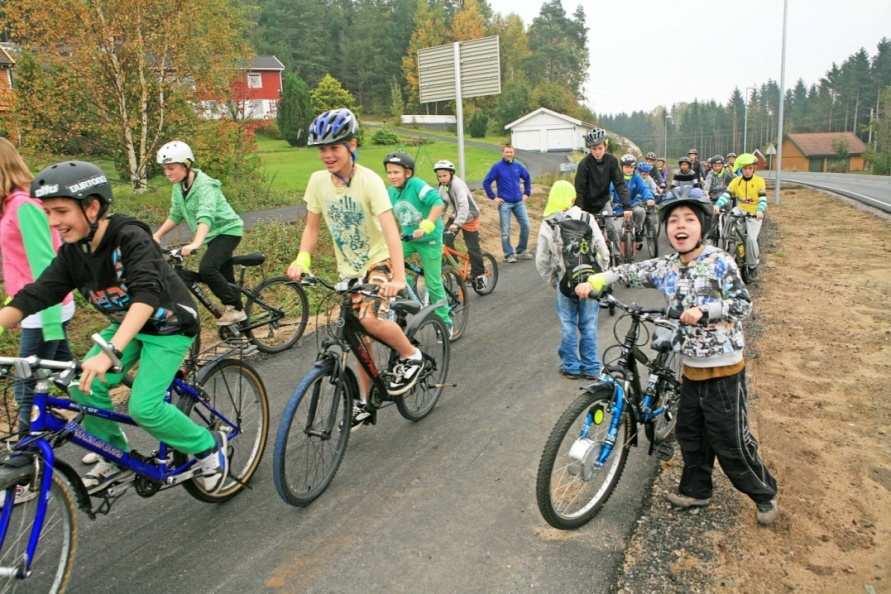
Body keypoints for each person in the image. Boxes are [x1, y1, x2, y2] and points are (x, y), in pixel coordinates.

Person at [0, 160, 228, 491]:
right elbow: (36, 295)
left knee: (145, 408)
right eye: (48, 213)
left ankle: (208, 447)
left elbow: (146, 296)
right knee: (83, 387)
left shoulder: (129, 237)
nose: (53, 222)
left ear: (92, 207)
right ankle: (115, 454)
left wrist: (110, 351)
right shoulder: (73, 252)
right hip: (127, 326)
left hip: (169, 327)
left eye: (61, 211)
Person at [578, 187, 779, 526]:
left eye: (688, 219)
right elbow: (631, 272)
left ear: (702, 225)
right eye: (673, 220)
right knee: (691, 436)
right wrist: (598, 279)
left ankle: (764, 494)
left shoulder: (719, 261)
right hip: (692, 371)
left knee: (729, 441)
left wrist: (706, 310)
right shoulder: (667, 265)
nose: (680, 226)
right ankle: (697, 491)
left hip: (723, 371)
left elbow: (743, 304)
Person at [285, 109, 425, 424]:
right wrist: (302, 258)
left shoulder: (369, 181)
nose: (327, 155)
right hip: (348, 269)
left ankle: (409, 354)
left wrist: (399, 277)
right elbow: (311, 228)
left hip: (379, 260)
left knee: (369, 319)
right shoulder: (317, 182)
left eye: (334, 147)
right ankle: (364, 401)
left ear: (352, 145)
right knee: (356, 338)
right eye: (322, 149)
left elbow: (390, 229)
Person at [0, 137, 74, 434]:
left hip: (45, 310)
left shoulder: (23, 206)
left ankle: (25, 460)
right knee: (74, 381)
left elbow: (47, 264)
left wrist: (49, 323)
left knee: (25, 391)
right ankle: (104, 439)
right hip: (32, 309)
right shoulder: (10, 205)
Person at [151, 141, 246, 326]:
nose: (167, 173)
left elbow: (206, 215)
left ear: (186, 165)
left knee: (207, 269)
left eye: (171, 168)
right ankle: (242, 329)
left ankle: (236, 308)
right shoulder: (179, 187)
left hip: (228, 231)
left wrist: (196, 243)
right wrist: (157, 235)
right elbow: (175, 215)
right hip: (211, 236)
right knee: (221, 278)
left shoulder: (205, 185)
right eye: (165, 169)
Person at [535, 180, 609, 380]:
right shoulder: (587, 217)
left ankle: (571, 365)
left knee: (568, 323)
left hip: (564, 281)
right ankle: (592, 366)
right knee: (589, 323)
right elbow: (603, 250)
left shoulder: (549, 223)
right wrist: (601, 276)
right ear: (572, 197)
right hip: (589, 279)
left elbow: (542, 260)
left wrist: (553, 280)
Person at [383, 152, 451, 330]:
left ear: (408, 173)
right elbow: (386, 216)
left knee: (433, 282)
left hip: (429, 239)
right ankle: (402, 306)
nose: (392, 176)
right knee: (387, 265)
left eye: (396, 172)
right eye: (389, 172)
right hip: (408, 238)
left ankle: (445, 322)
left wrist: (427, 225)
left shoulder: (417, 185)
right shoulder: (390, 192)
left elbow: (438, 203)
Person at [434, 159, 486, 292]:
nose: (442, 178)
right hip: (457, 215)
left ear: (451, 174)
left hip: (470, 215)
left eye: (444, 175)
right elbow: (441, 205)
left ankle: (480, 276)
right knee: (445, 239)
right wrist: (436, 222)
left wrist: (456, 224)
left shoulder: (458, 185)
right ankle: (455, 267)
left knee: (472, 247)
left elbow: (464, 206)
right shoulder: (443, 186)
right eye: (439, 176)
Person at [574, 127, 630, 245]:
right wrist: (578, 210)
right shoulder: (584, 165)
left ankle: (618, 256)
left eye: (600, 148)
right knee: (587, 235)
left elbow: (619, 184)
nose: (597, 152)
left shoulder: (612, 161)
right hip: (587, 205)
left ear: (605, 146)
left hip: (604, 202)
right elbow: (580, 190)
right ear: (590, 149)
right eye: (594, 149)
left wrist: (627, 206)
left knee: (611, 229)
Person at [715, 153, 767, 278]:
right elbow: (727, 195)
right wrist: (717, 205)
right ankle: (728, 244)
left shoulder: (759, 181)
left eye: (750, 168)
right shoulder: (736, 181)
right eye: (745, 168)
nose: (748, 171)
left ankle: (752, 265)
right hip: (740, 209)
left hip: (754, 213)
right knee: (729, 217)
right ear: (741, 169)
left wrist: (760, 210)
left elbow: (763, 199)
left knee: (751, 239)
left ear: (753, 169)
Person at [483, 144, 532, 263]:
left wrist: (526, 193)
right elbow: (486, 182)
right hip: (505, 203)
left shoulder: (518, 166)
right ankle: (509, 254)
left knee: (526, 225)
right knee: (505, 230)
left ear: (514, 153)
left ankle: (521, 251)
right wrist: (493, 197)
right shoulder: (497, 167)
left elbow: (527, 178)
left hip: (519, 202)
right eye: (506, 152)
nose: (509, 154)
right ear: (502, 153)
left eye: (511, 152)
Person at [610, 154, 652, 252]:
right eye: (627, 167)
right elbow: (609, 191)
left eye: (632, 167)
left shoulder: (637, 178)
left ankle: (637, 232)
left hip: (633, 204)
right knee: (617, 230)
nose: (629, 169)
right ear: (621, 167)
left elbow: (644, 188)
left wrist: (649, 198)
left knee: (640, 211)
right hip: (618, 207)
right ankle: (617, 254)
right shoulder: (615, 178)